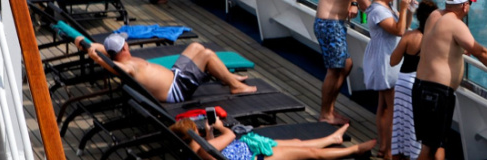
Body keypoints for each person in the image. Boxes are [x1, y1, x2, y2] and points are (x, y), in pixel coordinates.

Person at [413, 0, 487, 160]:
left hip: (420, 86)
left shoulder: (434, 16)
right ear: (464, 6)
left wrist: (458, 49)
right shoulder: (456, 24)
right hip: (437, 93)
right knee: (431, 148)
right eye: (469, 3)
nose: (469, 7)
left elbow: (437, 44)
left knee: (431, 145)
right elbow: (481, 52)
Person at [76, 33, 257, 102]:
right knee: (207, 54)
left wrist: (84, 43)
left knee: (196, 47)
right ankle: (235, 86)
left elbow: (102, 49)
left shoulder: (117, 56)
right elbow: (113, 67)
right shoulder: (126, 66)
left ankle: (227, 77)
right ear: (124, 48)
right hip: (177, 89)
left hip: (175, 75)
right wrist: (97, 59)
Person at [315, 0, 371, 125]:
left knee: (346, 65)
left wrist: (353, 3)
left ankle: (330, 109)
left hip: (327, 24)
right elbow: (367, 5)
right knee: (334, 70)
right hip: (330, 25)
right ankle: (325, 114)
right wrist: (389, 15)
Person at [364, 0, 413, 160]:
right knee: (393, 109)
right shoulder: (378, 10)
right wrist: (403, 9)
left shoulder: (387, 7)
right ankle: (391, 151)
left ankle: (384, 147)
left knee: (384, 106)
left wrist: (408, 12)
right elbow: (399, 31)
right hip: (385, 61)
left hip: (385, 58)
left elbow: (404, 26)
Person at [169, 116, 375, 160]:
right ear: (194, 133)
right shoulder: (203, 148)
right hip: (256, 156)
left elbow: (214, 149)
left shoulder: (192, 152)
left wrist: (209, 133)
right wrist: (220, 127)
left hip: (249, 150)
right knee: (311, 153)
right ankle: (354, 150)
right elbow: (231, 134)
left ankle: (332, 139)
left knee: (297, 144)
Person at [389, 0, 440, 160]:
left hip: (403, 84)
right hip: (420, 85)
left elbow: (393, 61)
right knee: (416, 128)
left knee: (400, 126)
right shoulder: (436, 40)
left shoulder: (409, 36)